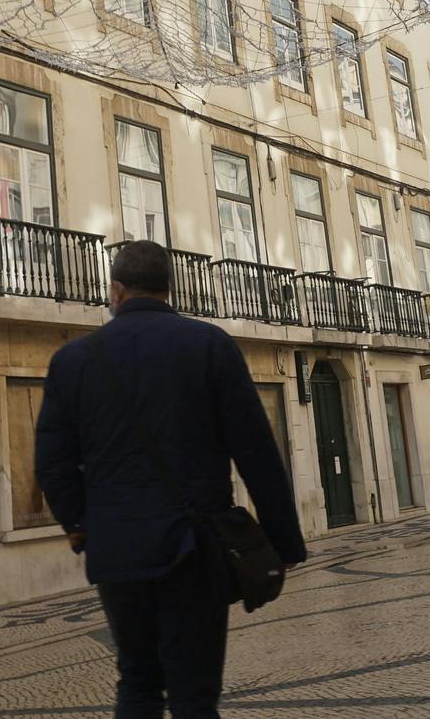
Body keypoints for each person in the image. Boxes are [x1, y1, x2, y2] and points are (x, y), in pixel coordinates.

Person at [36, 240, 306, 718]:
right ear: (168, 289)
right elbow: (257, 453)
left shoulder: (73, 361)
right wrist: (283, 545)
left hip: (117, 550)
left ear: (115, 291)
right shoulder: (209, 345)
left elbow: (53, 465)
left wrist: (83, 531)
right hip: (195, 547)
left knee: (137, 680)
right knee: (194, 693)